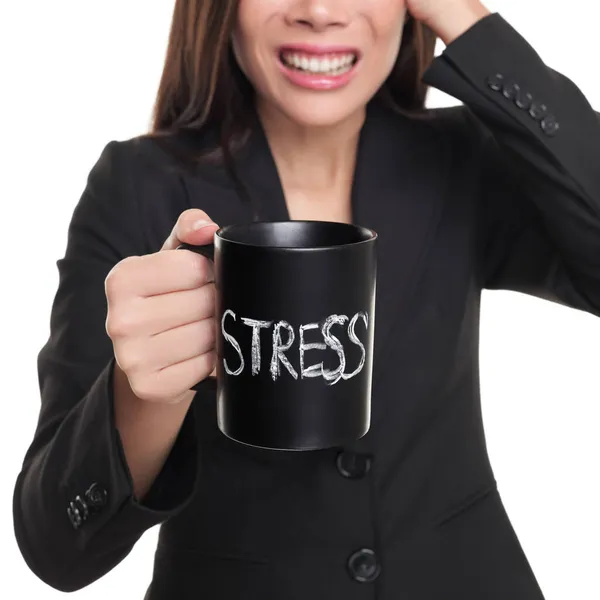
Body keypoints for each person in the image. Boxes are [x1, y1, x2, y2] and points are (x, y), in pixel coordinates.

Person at [12, 0, 600, 598]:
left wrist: (466, 20)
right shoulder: (137, 184)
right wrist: (143, 396)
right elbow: (57, 549)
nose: (320, 11)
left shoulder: (464, 157)